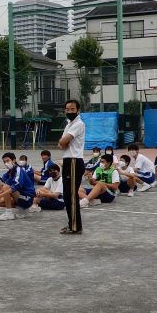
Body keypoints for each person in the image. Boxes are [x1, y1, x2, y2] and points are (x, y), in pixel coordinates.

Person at [58, 99, 86, 234]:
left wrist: (63, 142)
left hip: (74, 161)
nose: (69, 111)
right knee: (67, 195)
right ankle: (72, 224)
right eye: (67, 109)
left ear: (78, 110)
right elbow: (61, 144)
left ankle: (75, 226)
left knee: (72, 196)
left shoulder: (78, 124)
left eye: (72, 109)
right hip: (68, 161)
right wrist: (63, 142)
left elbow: (63, 141)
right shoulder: (69, 124)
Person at [0, 152, 35, 220]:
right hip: (21, 196)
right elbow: (3, 183)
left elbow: (15, 187)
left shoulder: (19, 170)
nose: (6, 163)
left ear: (14, 160)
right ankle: (22, 209)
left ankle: (9, 213)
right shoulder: (11, 171)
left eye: (8, 160)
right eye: (4, 162)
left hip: (28, 198)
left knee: (6, 188)